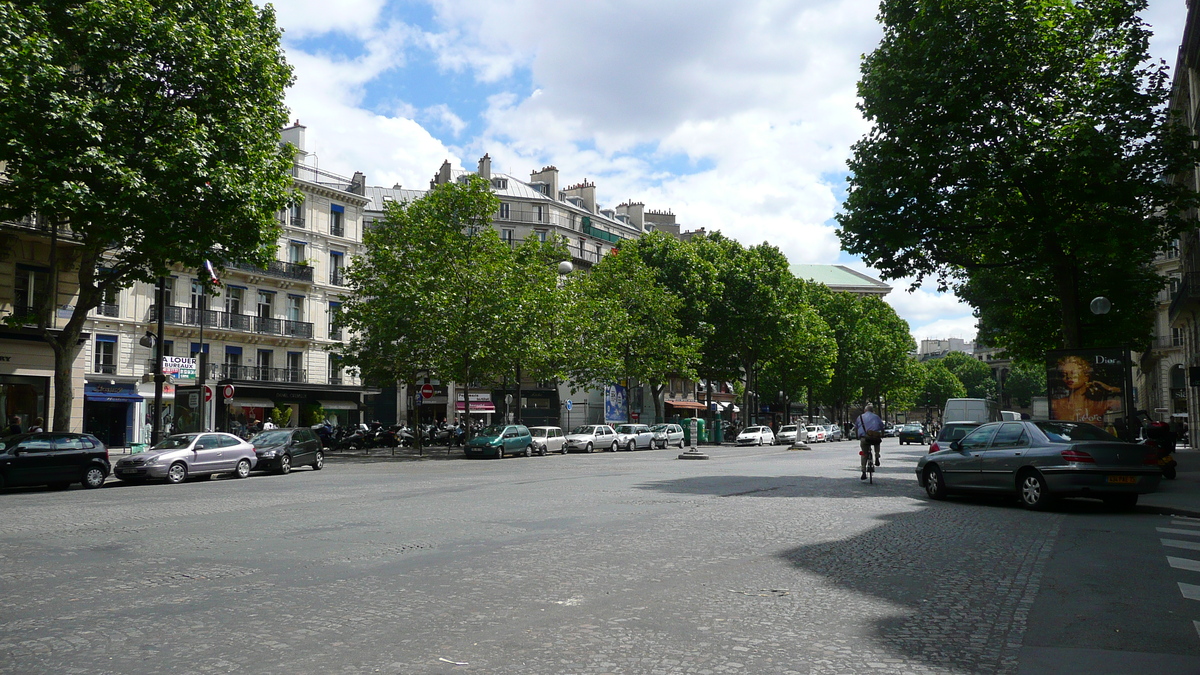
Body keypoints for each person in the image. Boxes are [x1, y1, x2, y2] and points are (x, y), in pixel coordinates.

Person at [1051, 355, 1122, 425]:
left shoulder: (1101, 404)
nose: (1069, 377)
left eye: (1074, 373)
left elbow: (1127, 403)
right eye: (1064, 375)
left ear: (1086, 376)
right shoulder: (1056, 404)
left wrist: (1109, 388)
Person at [855, 403, 885, 480]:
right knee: (877, 443)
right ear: (872, 411)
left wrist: (857, 436)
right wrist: (882, 434)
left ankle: (863, 471)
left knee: (864, 453)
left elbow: (856, 427)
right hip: (874, 437)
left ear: (865, 410)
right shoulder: (876, 417)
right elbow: (882, 426)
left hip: (864, 437)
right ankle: (877, 456)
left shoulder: (860, 417)